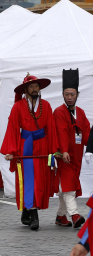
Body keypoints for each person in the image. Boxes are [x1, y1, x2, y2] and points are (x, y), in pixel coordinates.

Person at [1, 74, 57, 231]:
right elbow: (13, 128)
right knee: (28, 180)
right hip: (25, 147)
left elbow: (51, 128)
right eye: (31, 87)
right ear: (25, 90)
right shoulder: (18, 107)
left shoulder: (46, 106)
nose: (34, 89)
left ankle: (27, 210)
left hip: (42, 147)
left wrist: (54, 150)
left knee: (39, 180)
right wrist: (11, 151)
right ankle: (34, 215)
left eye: (36, 86)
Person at [54, 69, 90, 228]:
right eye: (66, 94)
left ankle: (60, 217)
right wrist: (64, 150)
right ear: (63, 94)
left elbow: (88, 132)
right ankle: (75, 215)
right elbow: (61, 131)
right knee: (68, 186)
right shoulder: (59, 112)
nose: (69, 97)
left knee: (67, 186)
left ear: (77, 95)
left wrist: (91, 147)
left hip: (77, 156)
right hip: (64, 156)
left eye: (72, 94)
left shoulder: (81, 113)